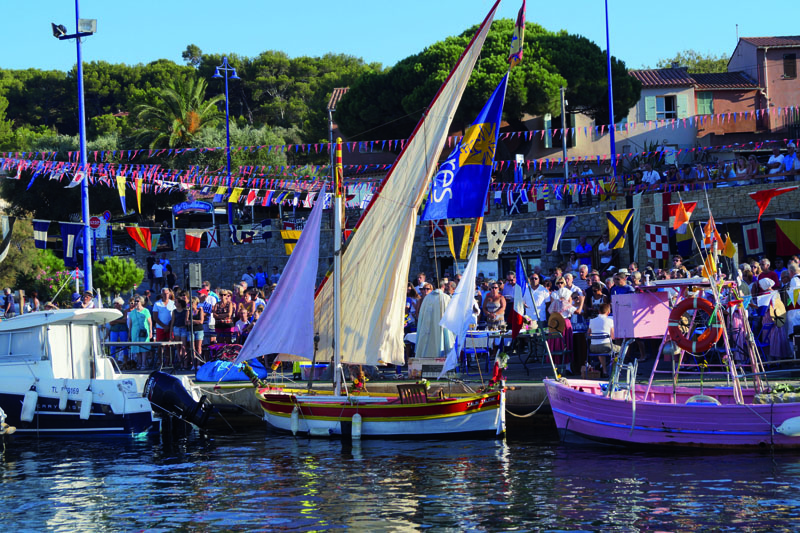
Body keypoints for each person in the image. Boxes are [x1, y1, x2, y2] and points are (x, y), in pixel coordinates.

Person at [415, 280, 454, 359]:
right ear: (443, 286)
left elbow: (421, 314)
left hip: (428, 328)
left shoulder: (427, 298)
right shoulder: (446, 298)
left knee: (427, 348)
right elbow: (451, 315)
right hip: (441, 328)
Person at [587, 302, 615, 376]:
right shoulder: (610, 321)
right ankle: (616, 370)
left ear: (599, 311)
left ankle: (604, 370)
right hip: (606, 346)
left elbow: (588, 334)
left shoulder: (592, 321)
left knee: (601, 349)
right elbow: (613, 336)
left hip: (593, 347)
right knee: (621, 350)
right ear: (609, 312)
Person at [127, 295, 152, 370]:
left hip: (144, 331)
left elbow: (150, 322)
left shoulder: (146, 311)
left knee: (143, 348)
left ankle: (144, 364)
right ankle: (139, 362)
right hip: (135, 331)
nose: (136, 302)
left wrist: (150, 331)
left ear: (141, 302)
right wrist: (129, 333)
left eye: (137, 301)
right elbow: (130, 323)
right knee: (136, 348)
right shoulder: (132, 312)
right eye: (135, 301)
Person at [152, 288, 175, 367]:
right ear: (161, 294)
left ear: (169, 294)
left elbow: (174, 316)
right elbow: (155, 317)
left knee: (169, 345)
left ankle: (168, 362)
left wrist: (169, 326)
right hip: (160, 327)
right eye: (164, 293)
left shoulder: (173, 303)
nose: (166, 295)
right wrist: (164, 326)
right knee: (160, 345)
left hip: (170, 327)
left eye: (167, 293)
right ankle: (161, 361)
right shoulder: (157, 304)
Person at [108, 297, 128, 363]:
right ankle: (112, 361)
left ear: (120, 304)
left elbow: (124, 321)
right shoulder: (112, 312)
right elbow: (111, 322)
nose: (115, 305)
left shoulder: (124, 311)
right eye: (114, 303)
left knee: (124, 345)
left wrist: (115, 321)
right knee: (112, 346)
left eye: (117, 303)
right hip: (114, 330)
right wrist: (120, 321)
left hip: (123, 330)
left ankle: (125, 361)